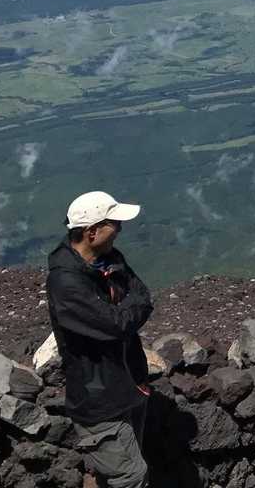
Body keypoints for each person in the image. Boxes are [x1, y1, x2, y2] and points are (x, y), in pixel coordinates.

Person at [46, 190, 155, 488]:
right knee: (131, 477)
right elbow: (116, 324)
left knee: (124, 471)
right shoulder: (66, 283)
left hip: (129, 383)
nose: (120, 229)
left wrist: (124, 312)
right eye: (114, 223)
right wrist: (125, 312)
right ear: (92, 232)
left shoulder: (110, 260)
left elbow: (142, 297)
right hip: (100, 397)